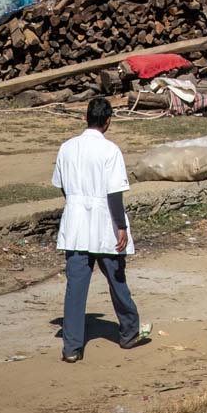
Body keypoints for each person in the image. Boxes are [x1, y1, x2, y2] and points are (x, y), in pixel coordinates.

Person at [52, 96, 150, 361]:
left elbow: (62, 185)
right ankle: (129, 332)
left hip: (75, 226)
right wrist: (121, 226)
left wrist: (76, 203)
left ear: (86, 117)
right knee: (117, 280)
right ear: (108, 121)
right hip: (105, 224)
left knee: (75, 288)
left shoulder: (67, 148)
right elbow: (114, 194)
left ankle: (72, 348)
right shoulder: (110, 151)